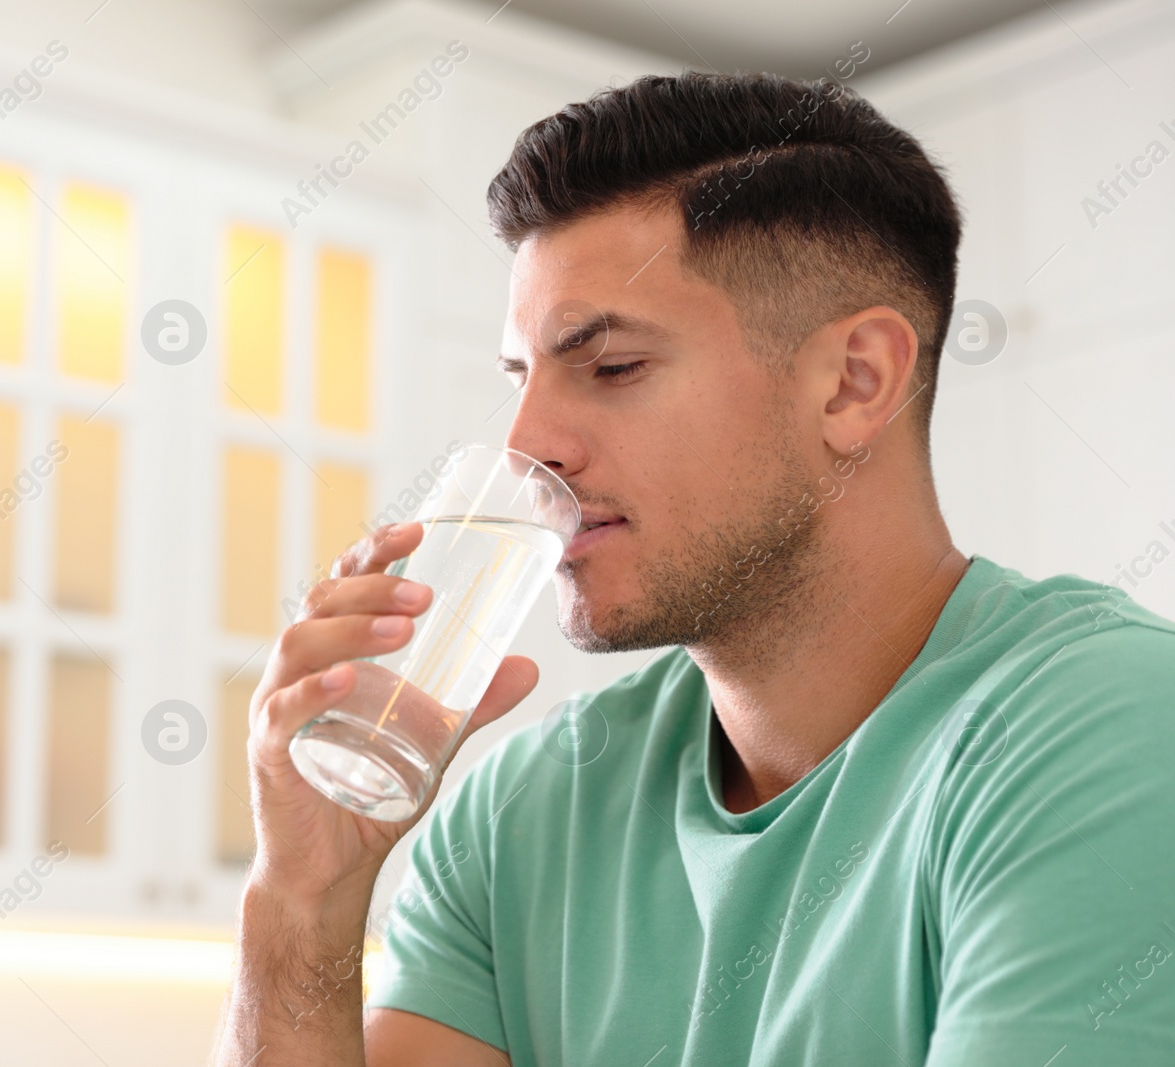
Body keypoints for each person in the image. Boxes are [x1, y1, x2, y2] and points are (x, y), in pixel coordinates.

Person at [212, 71, 1175, 1065]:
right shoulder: (526, 808)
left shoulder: (1106, 729)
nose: (528, 440)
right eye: (521, 376)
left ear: (853, 383)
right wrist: (301, 897)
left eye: (611, 366)